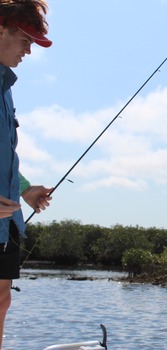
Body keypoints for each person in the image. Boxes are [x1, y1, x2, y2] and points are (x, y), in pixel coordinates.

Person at [0, 0, 53, 347]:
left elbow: (5, 157)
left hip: (6, 222)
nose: (29, 51)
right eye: (25, 40)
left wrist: (24, 189)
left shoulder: (6, 89)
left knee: (2, 300)